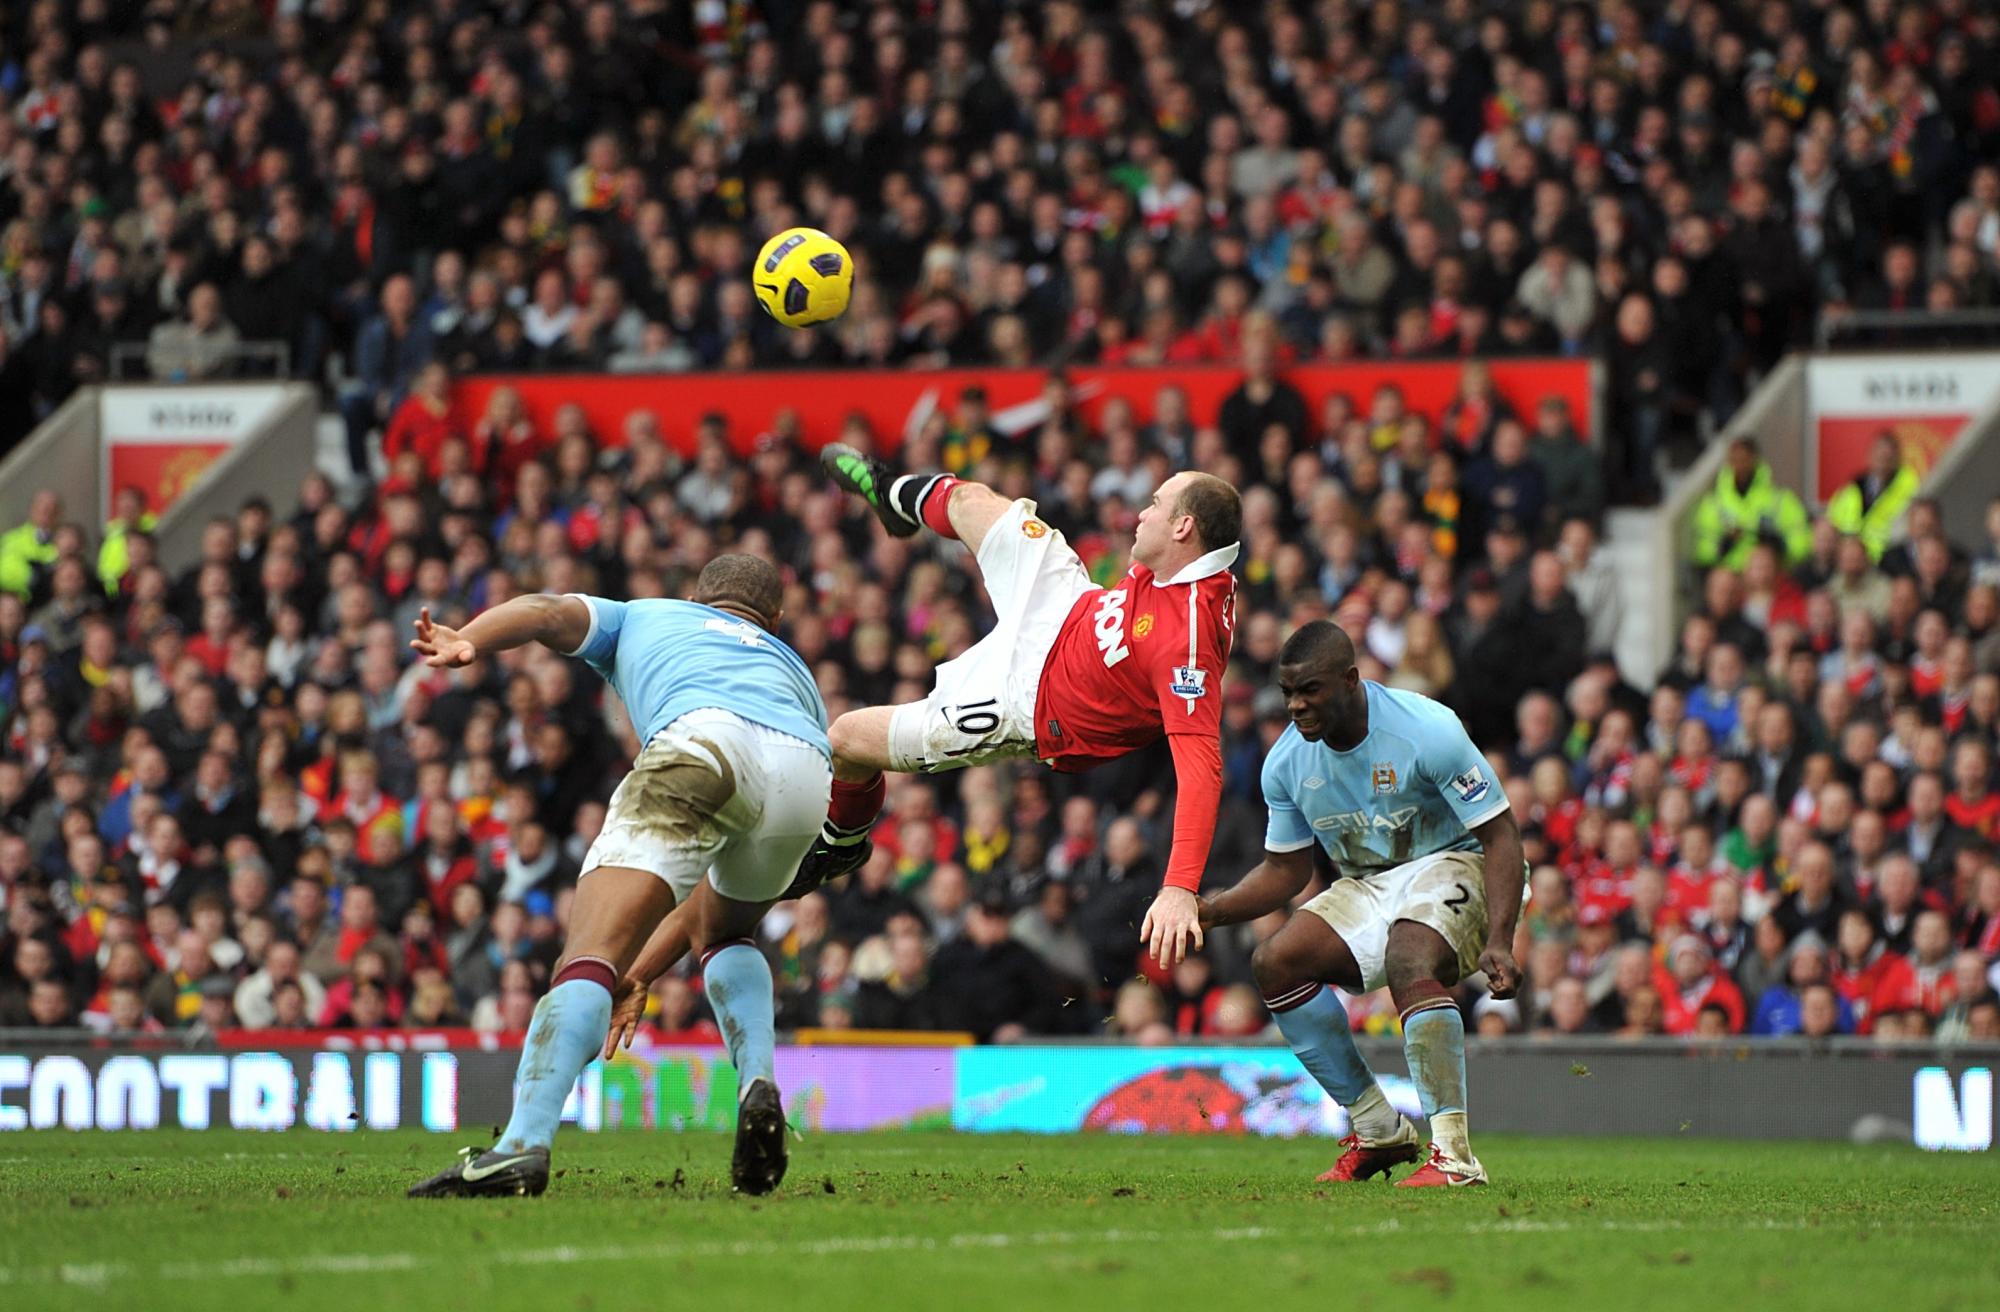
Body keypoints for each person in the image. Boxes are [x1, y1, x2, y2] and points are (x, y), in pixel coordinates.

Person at [407, 554, 830, 1199]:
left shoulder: (645, 614)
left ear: (698, 596)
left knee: (587, 959)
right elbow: (697, 912)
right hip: (804, 772)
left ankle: (521, 1145)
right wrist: (643, 975)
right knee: (724, 934)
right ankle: (758, 1083)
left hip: (702, 741)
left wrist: (470, 638)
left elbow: (545, 612)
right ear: (774, 619)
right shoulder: (793, 669)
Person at [802, 441, 1241, 968]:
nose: (1141, 511)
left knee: (847, 739)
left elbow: (1201, 772)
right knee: (971, 501)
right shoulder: (1172, 565)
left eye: (1156, 503)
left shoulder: (1186, 643)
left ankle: (842, 841)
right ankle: (889, 495)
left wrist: (1178, 887)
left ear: (1182, 528)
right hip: (1066, 604)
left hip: (1027, 703)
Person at [1195, 620, 1525, 1187]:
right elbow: (1286, 870)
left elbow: (1501, 835)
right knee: (1276, 962)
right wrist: (1207, 912)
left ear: (1350, 680)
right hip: (1372, 882)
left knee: (1408, 956)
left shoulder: (1428, 730)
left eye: (1310, 690)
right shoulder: (1287, 764)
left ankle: (1455, 1156)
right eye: (1288, 693)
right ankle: (1378, 1128)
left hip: (1458, 859)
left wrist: (1500, 937)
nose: (1296, 706)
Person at [1691, 438, 1812, 572]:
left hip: (1770, 574)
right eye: (1734, 460)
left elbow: (1801, 545)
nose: (1739, 466)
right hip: (1731, 575)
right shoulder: (1714, 503)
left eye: (1744, 460)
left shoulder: (1781, 500)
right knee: (1721, 581)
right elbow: (1704, 552)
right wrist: (1726, 543)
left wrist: (1779, 545)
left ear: (1755, 459)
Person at [1826, 432, 1921, 562]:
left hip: (1890, 560)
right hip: (1850, 560)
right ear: (1869, 456)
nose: (1883, 462)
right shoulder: (1852, 489)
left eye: (1888, 457)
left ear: (1897, 459)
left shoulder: (1910, 488)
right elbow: (1832, 523)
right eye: (1879, 456)